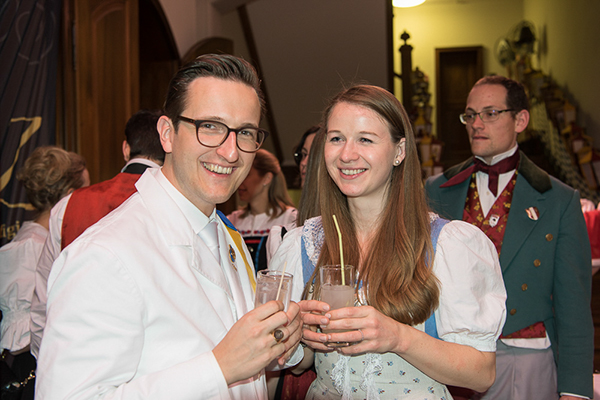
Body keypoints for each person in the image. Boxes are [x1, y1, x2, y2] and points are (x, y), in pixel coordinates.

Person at [35, 54, 303, 399]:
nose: (231, 152)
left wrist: (278, 342)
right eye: (210, 127)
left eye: (245, 133)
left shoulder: (225, 235)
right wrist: (218, 368)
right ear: (167, 134)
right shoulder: (106, 255)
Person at [270, 84, 507, 399]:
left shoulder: (446, 245)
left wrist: (398, 337)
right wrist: (298, 335)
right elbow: (302, 364)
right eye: (336, 138)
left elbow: (481, 374)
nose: (346, 154)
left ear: (400, 151)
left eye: (365, 139)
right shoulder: (305, 243)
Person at [425, 75, 593, 400]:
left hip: (523, 355)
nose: (476, 124)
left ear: (521, 120)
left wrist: (575, 390)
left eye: (490, 113)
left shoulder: (558, 200)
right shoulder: (437, 190)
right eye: (470, 115)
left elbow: (574, 304)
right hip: (447, 355)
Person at [29, 109, 165, 358]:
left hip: (77, 355)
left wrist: (45, 360)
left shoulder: (68, 206)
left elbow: (43, 303)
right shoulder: (177, 205)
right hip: (153, 359)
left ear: (126, 149)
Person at [0, 146, 88, 399]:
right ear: (69, 194)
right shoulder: (30, 247)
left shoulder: (37, 241)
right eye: (86, 190)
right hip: (29, 364)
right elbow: (25, 330)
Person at [227, 149, 297, 272]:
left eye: (247, 173)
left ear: (267, 178)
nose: (239, 180)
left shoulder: (290, 219)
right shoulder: (231, 220)